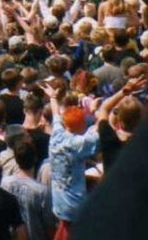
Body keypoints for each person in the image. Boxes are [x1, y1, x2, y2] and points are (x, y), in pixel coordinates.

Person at [44, 85, 98, 240]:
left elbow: (55, 114)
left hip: (59, 202)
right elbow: (102, 134)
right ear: (80, 125)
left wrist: (53, 97)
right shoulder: (78, 144)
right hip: (74, 205)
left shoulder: (56, 133)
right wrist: (97, 112)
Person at [0, 140, 55, 240]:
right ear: (35, 159)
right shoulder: (42, 191)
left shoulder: (5, 183)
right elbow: (49, 224)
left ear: (16, 160)